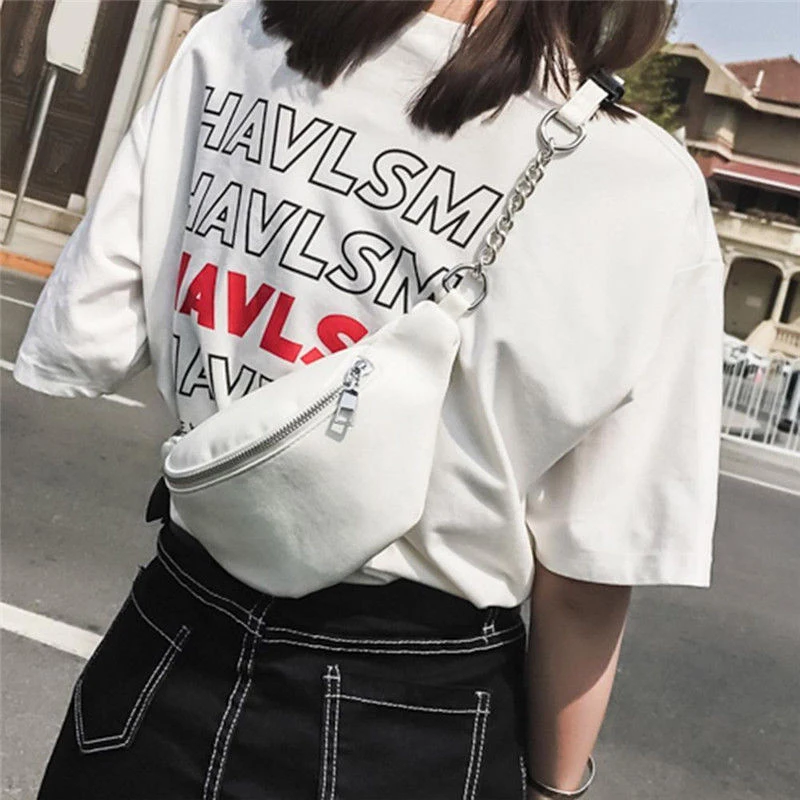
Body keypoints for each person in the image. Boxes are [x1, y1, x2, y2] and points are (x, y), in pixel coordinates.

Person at [14, 1, 724, 798]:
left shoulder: (236, 42)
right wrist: (556, 787)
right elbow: (590, 571)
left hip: (168, 649)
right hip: (415, 715)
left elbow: (91, 332)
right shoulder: (644, 187)